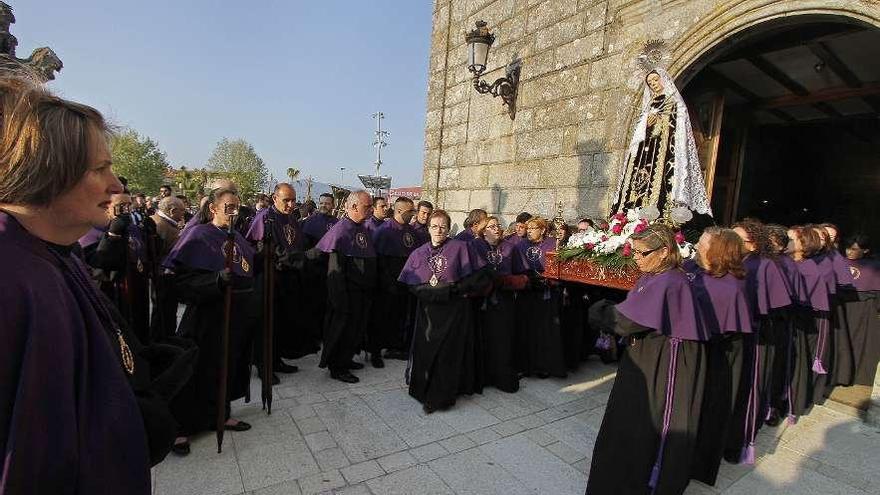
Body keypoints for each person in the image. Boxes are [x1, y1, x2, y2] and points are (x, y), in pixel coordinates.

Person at [0, 78, 183, 492]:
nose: (117, 186)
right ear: (48, 168)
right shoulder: (11, 278)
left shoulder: (57, 253)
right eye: (100, 169)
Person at [586, 225, 709, 495]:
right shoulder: (655, 274)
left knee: (646, 425)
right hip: (646, 355)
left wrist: (598, 310)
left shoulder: (669, 280)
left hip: (664, 362)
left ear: (665, 251)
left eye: (642, 253)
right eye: (634, 252)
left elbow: (627, 321)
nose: (635, 258)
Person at [163, 186, 256, 455]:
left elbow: (246, 268)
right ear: (213, 209)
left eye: (237, 207)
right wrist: (213, 281)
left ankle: (221, 413)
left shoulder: (237, 236)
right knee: (196, 369)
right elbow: (179, 281)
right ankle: (180, 429)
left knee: (226, 363)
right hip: (206, 316)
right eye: (229, 207)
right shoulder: (198, 235)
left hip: (234, 314)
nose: (234, 212)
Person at [399, 209, 491, 413]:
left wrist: (455, 289)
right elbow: (411, 284)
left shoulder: (461, 247)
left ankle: (440, 397)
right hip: (428, 312)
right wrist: (432, 293)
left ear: (449, 228)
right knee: (426, 351)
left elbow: (482, 275)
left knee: (447, 354)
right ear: (428, 228)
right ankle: (423, 390)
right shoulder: (419, 252)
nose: (438, 230)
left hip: (455, 310)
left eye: (443, 226)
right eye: (434, 226)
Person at [688, 228, 753, 486]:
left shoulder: (730, 287)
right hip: (693, 350)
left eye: (703, 240)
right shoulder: (690, 268)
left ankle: (699, 464)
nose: (697, 242)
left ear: (717, 249)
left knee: (710, 409)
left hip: (717, 356)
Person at [609, 68, 711, 218]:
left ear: (663, 79)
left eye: (656, 80)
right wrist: (646, 122)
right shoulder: (648, 104)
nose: (653, 84)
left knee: (661, 184)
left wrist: (660, 120)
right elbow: (639, 131)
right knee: (636, 184)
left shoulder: (673, 101)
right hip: (645, 151)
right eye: (650, 83)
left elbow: (679, 127)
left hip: (662, 150)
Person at [246, 183, 311, 380]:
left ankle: (276, 360)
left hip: (288, 279)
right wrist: (297, 259)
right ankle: (263, 366)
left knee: (281, 322)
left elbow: (297, 243)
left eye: (293, 200)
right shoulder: (265, 218)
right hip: (269, 278)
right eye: (286, 200)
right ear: (275, 198)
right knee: (266, 324)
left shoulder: (291, 218)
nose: (291, 204)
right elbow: (262, 249)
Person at [316, 190, 377, 383]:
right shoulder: (341, 230)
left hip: (361, 292)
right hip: (346, 293)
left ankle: (347, 359)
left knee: (355, 329)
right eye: (367, 207)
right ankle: (337, 367)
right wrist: (339, 299)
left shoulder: (362, 227)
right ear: (353, 206)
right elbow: (336, 269)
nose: (370, 210)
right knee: (343, 330)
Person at [79, 190, 153, 344]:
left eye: (128, 206)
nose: (126, 211)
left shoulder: (132, 228)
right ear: (106, 207)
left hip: (134, 288)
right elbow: (97, 265)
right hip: (112, 292)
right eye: (120, 206)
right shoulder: (90, 231)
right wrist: (112, 236)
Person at [471, 216, 529, 392]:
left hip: (504, 300)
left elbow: (523, 275)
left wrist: (506, 281)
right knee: (481, 337)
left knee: (502, 339)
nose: (496, 229)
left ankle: (501, 375)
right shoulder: (475, 247)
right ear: (483, 231)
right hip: (481, 300)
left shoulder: (510, 248)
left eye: (498, 226)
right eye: (491, 226)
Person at [369, 196, 419, 364]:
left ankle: (395, 347)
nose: (413, 214)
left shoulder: (411, 230)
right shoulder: (384, 230)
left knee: (400, 317)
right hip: (388, 283)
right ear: (399, 211)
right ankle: (375, 352)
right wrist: (388, 282)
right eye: (409, 211)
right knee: (382, 317)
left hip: (406, 283)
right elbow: (379, 260)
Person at [787, 226, 831, 415]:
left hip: (799, 322)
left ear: (803, 245)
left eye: (791, 239)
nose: (786, 242)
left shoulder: (809, 270)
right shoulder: (788, 263)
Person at [515, 217, 567, 378]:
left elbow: (559, 268)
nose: (529, 231)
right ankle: (525, 365)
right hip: (527, 292)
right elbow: (517, 266)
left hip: (547, 293)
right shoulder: (521, 244)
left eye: (533, 228)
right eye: (528, 228)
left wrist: (549, 281)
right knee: (526, 329)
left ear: (543, 230)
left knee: (544, 331)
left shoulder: (553, 243)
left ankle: (544, 365)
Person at [840, 234, 879, 386]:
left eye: (855, 249)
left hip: (864, 310)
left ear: (866, 250)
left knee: (860, 343)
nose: (850, 252)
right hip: (841, 307)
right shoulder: (839, 262)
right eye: (848, 248)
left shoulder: (874, 266)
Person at [149, 195, 186, 340]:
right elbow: (159, 253)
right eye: (182, 210)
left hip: (166, 276)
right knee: (163, 313)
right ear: (172, 211)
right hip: (163, 277)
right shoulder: (160, 226)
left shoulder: (166, 224)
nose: (184, 213)